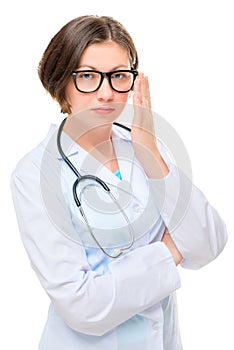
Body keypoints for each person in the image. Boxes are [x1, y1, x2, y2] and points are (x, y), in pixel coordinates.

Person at [11, 15, 227, 350]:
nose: (106, 93)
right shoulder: (35, 174)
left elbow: (209, 242)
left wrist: (150, 152)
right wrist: (170, 251)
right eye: (87, 76)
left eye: (118, 76)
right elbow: (83, 306)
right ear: (60, 82)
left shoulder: (144, 148)